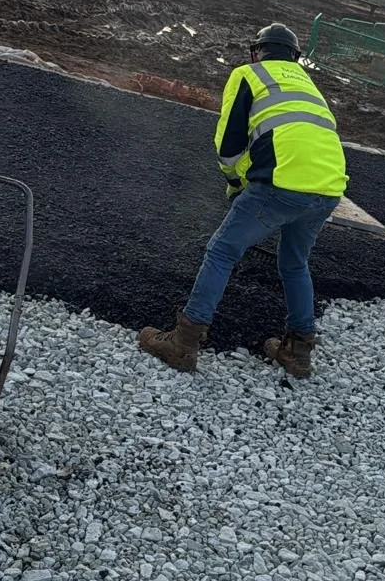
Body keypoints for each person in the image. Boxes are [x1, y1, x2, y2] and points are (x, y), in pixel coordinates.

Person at [139, 23, 348, 379]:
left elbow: (230, 145)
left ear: (257, 51)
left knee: (222, 251)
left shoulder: (248, 74)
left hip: (282, 185)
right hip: (329, 187)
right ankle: (298, 354)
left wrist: (235, 183)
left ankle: (183, 344)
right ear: (295, 57)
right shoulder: (306, 83)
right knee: (295, 263)